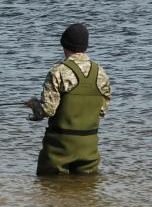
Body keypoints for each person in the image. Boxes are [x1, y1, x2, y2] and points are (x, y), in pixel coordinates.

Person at [25, 23, 111, 175]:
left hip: (58, 151)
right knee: (86, 194)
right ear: (86, 46)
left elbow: (48, 110)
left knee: (49, 191)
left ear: (64, 46)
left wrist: (33, 106)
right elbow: (102, 111)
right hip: (89, 151)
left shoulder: (57, 72)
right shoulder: (101, 73)